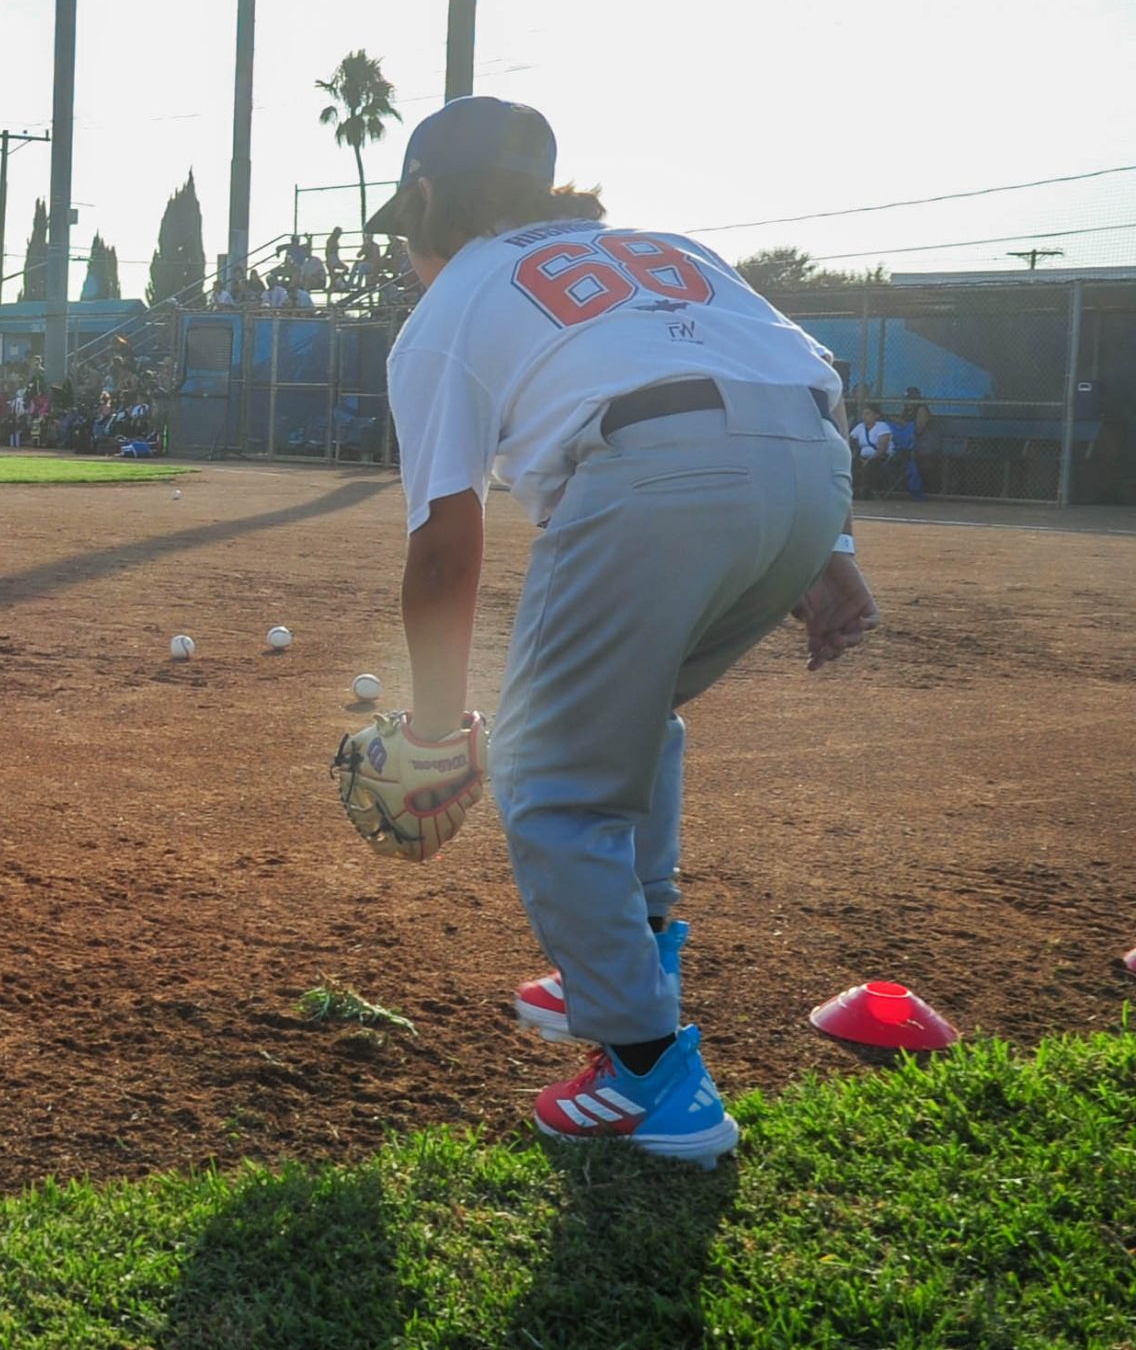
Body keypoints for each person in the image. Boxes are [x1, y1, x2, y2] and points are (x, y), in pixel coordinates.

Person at [359, 96, 875, 1167]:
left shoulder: (453, 302)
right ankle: (631, 956)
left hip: (656, 479)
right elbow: (801, 372)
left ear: (425, 199)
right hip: (813, 468)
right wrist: (829, 547)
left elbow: (446, 547)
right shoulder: (663, 247)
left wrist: (437, 727)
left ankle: (652, 1078)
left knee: (546, 771)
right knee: (637, 710)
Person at [850, 403, 894, 498]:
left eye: (868, 413)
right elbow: (850, 438)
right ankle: (854, 491)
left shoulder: (882, 426)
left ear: (876, 415)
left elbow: (883, 448)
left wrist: (869, 459)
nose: (864, 416)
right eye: (863, 414)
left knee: (871, 464)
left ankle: (866, 491)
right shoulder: (860, 427)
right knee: (853, 463)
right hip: (862, 457)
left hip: (880, 456)